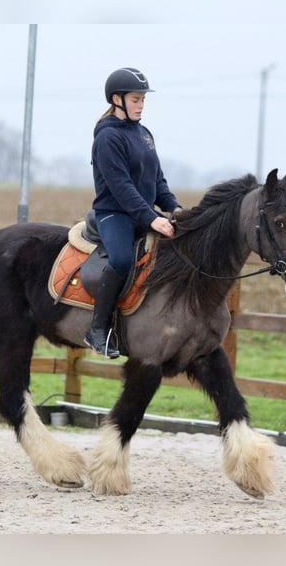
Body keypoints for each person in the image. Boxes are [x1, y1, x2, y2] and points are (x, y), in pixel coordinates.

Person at [84, 67, 182, 358]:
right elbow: (121, 187)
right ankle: (98, 330)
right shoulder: (108, 138)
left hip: (142, 212)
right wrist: (152, 218)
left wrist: (174, 207)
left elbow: (157, 180)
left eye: (143, 100)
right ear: (117, 99)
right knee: (122, 259)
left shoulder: (144, 134)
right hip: (114, 213)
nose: (141, 105)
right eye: (136, 99)